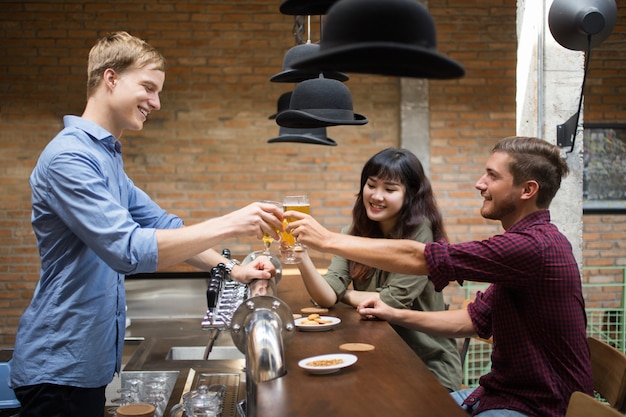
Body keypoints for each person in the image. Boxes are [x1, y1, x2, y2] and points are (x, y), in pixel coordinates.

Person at [9, 31, 283, 417]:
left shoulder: (104, 158)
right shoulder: (69, 158)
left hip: (83, 369)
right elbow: (129, 250)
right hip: (58, 370)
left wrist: (233, 269)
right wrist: (231, 223)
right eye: (148, 88)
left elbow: (163, 224)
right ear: (110, 79)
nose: (156, 102)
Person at [286, 136, 593, 417]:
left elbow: (419, 257)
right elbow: (473, 320)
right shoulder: (528, 245)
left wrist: (325, 240)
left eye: (492, 175)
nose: (479, 183)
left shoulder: (532, 246)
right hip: (497, 395)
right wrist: (393, 313)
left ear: (527, 190)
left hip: (538, 407)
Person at [294, 148, 461, 391]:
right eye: (371, 185)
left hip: (425, 363)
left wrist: (346, 294)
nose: (377, 196)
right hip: (377, 355)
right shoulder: (352, 232)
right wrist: (301, 255)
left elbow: (390, 301)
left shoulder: (420, 234)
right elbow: (327, 296)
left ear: (410, 195)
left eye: (390, 189)